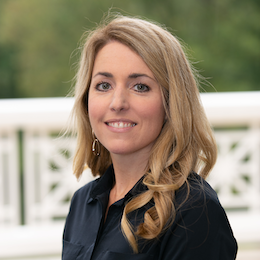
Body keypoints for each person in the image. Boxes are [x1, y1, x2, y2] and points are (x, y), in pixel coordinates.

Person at [62, 14, 237, 260]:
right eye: (104, 85)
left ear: (171, 103)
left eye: (140, 87)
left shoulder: (194, 210)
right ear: (86, 99)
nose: (117, 103)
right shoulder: (84, 202)